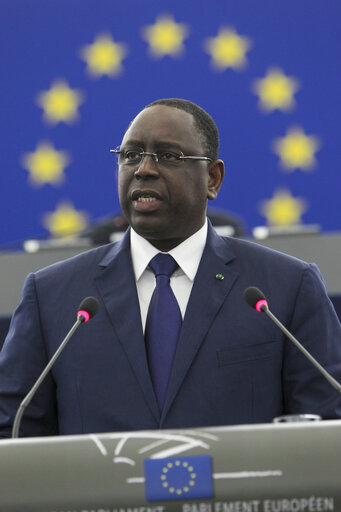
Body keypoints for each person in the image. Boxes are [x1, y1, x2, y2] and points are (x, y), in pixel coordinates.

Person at [0, 98, 340, 438]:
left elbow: (327, 429)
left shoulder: (286, 289)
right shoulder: (51, 297)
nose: (143, 169)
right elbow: (13, 432)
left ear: (213, 178)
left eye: (168, 156)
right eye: (131, 155)